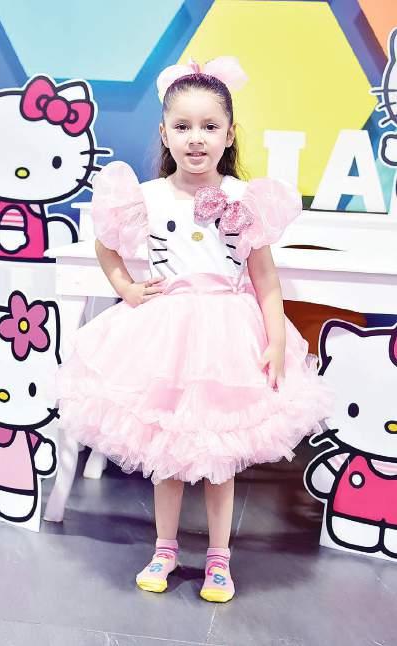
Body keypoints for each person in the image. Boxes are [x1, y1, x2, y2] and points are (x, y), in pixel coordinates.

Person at [58, 56, 332, 603]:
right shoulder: (148, 196)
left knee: (218, 458)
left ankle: (218, 558)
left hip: (227, 338)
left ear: (229, 134)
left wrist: (277, 339)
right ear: (164, 133)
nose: (196, 138)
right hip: (165, 336)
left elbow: (264, 276)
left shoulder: (243, 199)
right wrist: (127, 287)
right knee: (167, 455)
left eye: (209, 126)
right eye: (182, 126)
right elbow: (106, 245)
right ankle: (164, 549)